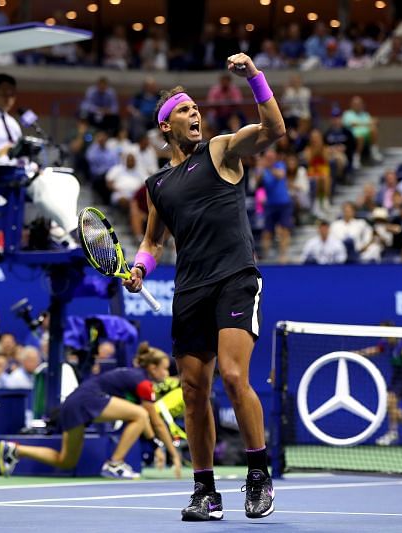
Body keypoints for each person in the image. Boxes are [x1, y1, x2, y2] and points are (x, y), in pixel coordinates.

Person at [124, 53, 284, 521]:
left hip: (235, 278)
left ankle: (257, 474)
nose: (195, 114)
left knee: (234, 377)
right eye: (184, 110)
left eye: (196, 108)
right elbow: (154, 239)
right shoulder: (158, 184)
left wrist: (254, 77)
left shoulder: (220, 150)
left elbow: (274, 131)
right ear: (166, 126)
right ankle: (205, 491)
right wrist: (139, 267)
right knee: (194, 391)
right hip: (190, 290)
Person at [0, 342, 181, 479]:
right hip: (87, 401)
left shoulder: (135, 377)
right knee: (139, 414)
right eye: (165, 369)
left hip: (73, 405)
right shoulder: (143, 383)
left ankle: (15, 450)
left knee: (66, 461)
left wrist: (157, 445)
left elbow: (144, 421)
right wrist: (174, 454)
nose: (166, 374)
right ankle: (115, 464)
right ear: (152, 367)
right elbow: (153, 420)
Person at [0, 74, 80, 248]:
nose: (9, 99)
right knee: (40, 185)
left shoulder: (11, 123)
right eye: (4, 94)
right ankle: (73, 230)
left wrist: (33, 165)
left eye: (12, 94)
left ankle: (65, 224)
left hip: (18, 174)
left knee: (68, 180)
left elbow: (20, 155)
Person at [355, 322, 402, 446]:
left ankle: (393, 432)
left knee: (391, 401)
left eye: (384, 331)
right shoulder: (385, 343)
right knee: (390, 404)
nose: (383, 335)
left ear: (392, 331)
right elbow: (374, 350)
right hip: (397, 377)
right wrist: (358, 353)